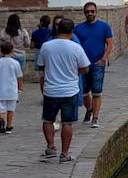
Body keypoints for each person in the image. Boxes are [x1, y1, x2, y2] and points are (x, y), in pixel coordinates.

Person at [37, 18, 90, 163]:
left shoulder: (46, 46)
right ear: (72, 32)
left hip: (51, 89)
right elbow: (85, 68)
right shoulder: (76, 48)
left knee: (48, 120)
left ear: (58, 29)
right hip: (70, 90)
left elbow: (41, 67)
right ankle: (65, 153)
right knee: (67, 123)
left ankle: (51, 147)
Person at [73, 2, 114, 129]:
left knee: (97, 92)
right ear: (84, 13)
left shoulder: (104, 27)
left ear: (96, 12)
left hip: (98, 63)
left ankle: (95, 118)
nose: (90, 13)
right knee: (84, 92)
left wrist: (104, 59)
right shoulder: (78, 28)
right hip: (83, 65)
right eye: (87, 11)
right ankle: (89, 109)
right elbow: (75, 46)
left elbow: (110, 43)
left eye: (92, 11)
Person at [0, 41, 23, 134]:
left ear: (1, 51)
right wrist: (20, 88)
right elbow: (19, 77)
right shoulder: (15, 63)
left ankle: (1, 119)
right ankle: (9, 126)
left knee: (1, 106)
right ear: (12, 50)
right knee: (11, 109)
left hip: (0, 88)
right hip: (12, 89)